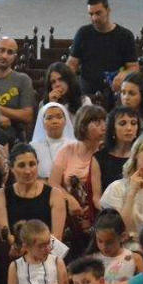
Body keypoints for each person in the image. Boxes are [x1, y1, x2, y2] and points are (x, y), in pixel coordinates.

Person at [0, 142, 67, 256]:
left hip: (47, 255)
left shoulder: (55, 195)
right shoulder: (0, 196)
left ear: (37, 164)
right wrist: (24, 250)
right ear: (11, 168)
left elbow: (57, 237)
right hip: (16, 255)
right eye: (21, 165)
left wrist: (33, 252)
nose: (28, 171)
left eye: (32, 164)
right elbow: (6, 235)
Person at [50, 104, 106, 244]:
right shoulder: (67, 150)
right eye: (97, 122)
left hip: (97, 214)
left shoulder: (105, 153)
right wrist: (69, 199)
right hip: (71, 215)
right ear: (83, 126)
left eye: (104, 121)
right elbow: (53, 182)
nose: (103, 126)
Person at [68, 0, 139, 97]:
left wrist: (124, 74)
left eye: (98, 13)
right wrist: (67, 84)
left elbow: (134, 68)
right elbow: (72, 63)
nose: (94, 18)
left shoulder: (125, 36)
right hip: (87, 94)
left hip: (115, 93)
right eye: (91, 14)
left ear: (108, 11)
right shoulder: (83, 33)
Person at [7, 218, 68, 284]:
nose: (47, 249)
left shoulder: (57, 262)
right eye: (41, 246)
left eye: (48, 243)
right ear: (26, 247)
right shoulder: (16, 267)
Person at [0, 38, 36, 140]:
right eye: (1, 50)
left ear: (15, 57)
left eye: (10, 52)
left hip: (12, 136)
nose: (5, 56)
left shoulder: (23, 80)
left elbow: (27, 116)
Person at [97, 107, 140, 192]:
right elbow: (96, 196)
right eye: (123, 123)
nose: (129, 128)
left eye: (133, 123)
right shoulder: (99, 158)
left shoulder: (141, 156)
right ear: (113, 129)